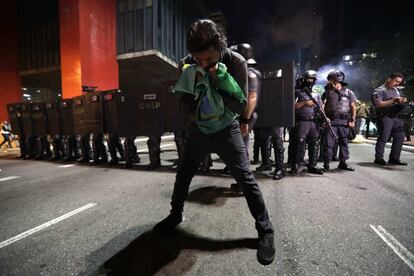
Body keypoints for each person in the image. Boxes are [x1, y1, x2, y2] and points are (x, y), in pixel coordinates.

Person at [153, 19, 275, 265]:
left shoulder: (236, 63)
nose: (203, 64)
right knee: (184, 172)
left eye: (209, 59)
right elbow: (184, 102)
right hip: (199, 128)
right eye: (199, 60)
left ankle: (266, 231)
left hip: (226, 129)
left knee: (245, 178)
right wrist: (197, 114)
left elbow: (239, 102)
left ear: (220, 48)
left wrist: (214, 98)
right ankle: (175, 215)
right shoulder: (186, 64)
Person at [322, 70, 357, 171]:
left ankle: (343, 163)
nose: (328, 81)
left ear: (336, 80)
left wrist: (353, 120)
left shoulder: (349, 92)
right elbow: (322, 107)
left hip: (344, 122)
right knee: (328, 143)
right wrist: (325, 118)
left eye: (330, 79)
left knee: (344, 143)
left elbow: (353, 107)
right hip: (331, 121)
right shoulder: (327, 92)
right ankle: (326, 164)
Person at [290, 70, 324, 175]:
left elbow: (321, 108)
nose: (310, 80)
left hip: (314, 122)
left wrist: (325, 118)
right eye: (308, 78)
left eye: (312, 79)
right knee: (299, 142)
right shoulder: (297, 93)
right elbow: (291, 106)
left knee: (315, 143)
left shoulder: (316, 94)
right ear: (304, 80)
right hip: (301, 121)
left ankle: (312, 165)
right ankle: (296, 164)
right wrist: (305, 103)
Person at [372, 73, 408, 165]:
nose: (397, 84)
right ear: (389, 79)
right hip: (386, 117)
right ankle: (379, 158)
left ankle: (394, 158)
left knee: (400, 137)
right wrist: (394, 100)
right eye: (396, 81)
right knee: (384, 137)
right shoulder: (379, 90)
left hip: (397, 117)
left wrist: (403, 100)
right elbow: (378, 104)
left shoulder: (397, 90)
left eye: (399, 82)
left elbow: (403, 99)